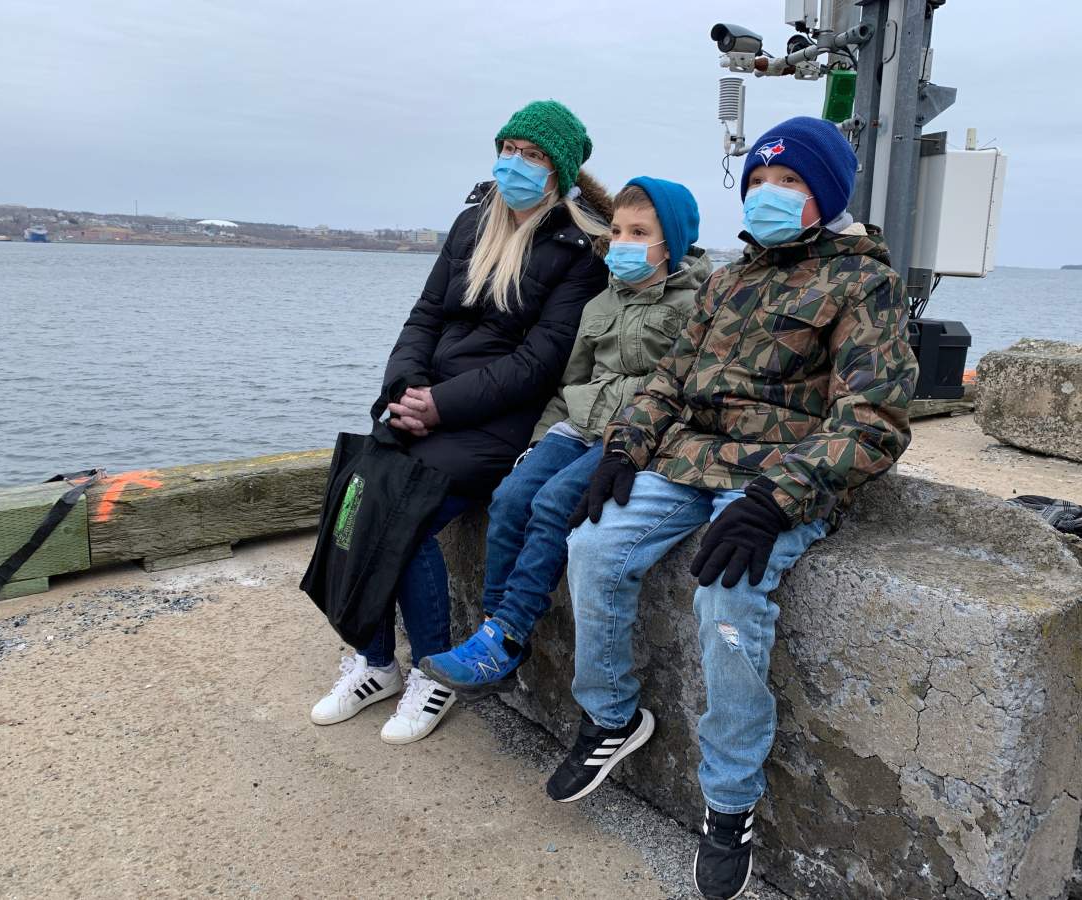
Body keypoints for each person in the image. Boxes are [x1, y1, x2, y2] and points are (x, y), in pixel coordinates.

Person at [546, 117, 919, 900]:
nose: (767, 194)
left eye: (789, 182)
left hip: (781, 475)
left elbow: (873, 420)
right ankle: (611, 716)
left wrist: (776, 500)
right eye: (757, 182)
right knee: (593, 544)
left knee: (727, 597)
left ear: (826, 194)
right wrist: (623, 447)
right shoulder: (726, 281)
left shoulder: (863, 283)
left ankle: (730, 798)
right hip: (691, 459)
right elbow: (669, 379)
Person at [310, 100, 611, 745]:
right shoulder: (473, 222)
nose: (515, 163)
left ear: (558, 169)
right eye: (508, 148)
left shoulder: (579, 249)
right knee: (356, 490)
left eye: (532, 155)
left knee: (406, 514)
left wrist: (441, 406)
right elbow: (425, 316)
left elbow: (539, 362)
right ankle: (375, 662)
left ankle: (432, 672)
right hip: (431, 402)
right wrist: (405, 389)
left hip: (498, 423)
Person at [419, 177, 710, 695]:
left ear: (672, 242)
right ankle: (494, 635)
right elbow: (571, 382)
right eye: (616, 231)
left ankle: (507, 635)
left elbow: (682, 387)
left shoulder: (695, 305)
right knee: (510, 499)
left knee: (554, 504)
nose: (622, 243)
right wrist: (537, 442)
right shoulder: (600, 303)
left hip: (630, 433)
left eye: (639, 232)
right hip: (576, 423)